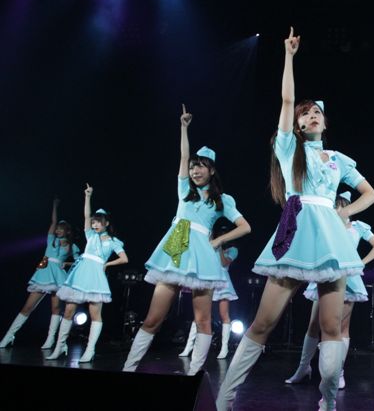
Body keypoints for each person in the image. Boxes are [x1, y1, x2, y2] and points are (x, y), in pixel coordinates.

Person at [216, 28, 374, 411]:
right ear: (299, 125)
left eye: (317, 112)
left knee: (331, 328)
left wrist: (344, 212)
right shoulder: (289, 147)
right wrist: (289, 57)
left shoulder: (339, 159)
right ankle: (224, 397)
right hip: (296, 231)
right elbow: (287, 99)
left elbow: (370, 194)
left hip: (331, 239)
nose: (312, 115)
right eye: (307, 114)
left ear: (325, 122)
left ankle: (328, 402)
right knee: (263, 323)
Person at [122, 105, 251, 376]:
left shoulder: (222, 200)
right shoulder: (184, 189)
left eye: (200, 166)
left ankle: (193, 375)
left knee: (203, 319)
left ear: (211, 170)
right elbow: (183, 155)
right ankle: (128, 368)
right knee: (153, 318)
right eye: (193, 166)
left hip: (202, 253)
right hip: (176, 246)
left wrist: (217, 242)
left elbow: (245, 227)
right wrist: (183, 128)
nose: (195, 170)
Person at [286, 191, 374, 389]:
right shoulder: (328, 226)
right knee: (314, 324)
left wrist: (360, 263)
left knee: (341, 328)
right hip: (326, 274)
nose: (338, 210)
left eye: (340, 206)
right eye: (335, 206)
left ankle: (338, 372)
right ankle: (303, 368)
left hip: (349, 279)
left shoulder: (359, 227)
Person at [47, 185, 128, 362]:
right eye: (93, 222)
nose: (94, 224)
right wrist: (88, 197)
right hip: (81, 274)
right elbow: (86, 215)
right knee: (68, 310)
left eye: (98, 222)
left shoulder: (113, 241)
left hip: (96, 277)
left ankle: (90, 350)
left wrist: (107, 264)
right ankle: (60, 346)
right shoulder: (90, 235)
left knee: (95, 314)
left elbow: (124, 258)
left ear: (106, 223)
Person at [0, 198, 80, 349]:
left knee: (56, 309)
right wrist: (55, 206)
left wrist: (66, 264)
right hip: (44, 274)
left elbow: (79, 262)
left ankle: (50, 340)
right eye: (57, 229)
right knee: (27, 307)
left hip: (58, 277)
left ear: (67, 231)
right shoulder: (51, 240)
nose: (57, 230)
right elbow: (53, 221)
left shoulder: (72, 246)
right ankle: (8, 336)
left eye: (60, 229)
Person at [179, 223, 240, 360]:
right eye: (220, 233)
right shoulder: (210, 246)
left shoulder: (233, 249)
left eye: (225, 233)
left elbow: (224, 263)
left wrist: (219, 247)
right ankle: (188, 347)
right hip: (209, 279)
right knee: (199, 315)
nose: (222, 235)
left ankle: (224, 348)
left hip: (223, 282)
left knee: (224, 315)